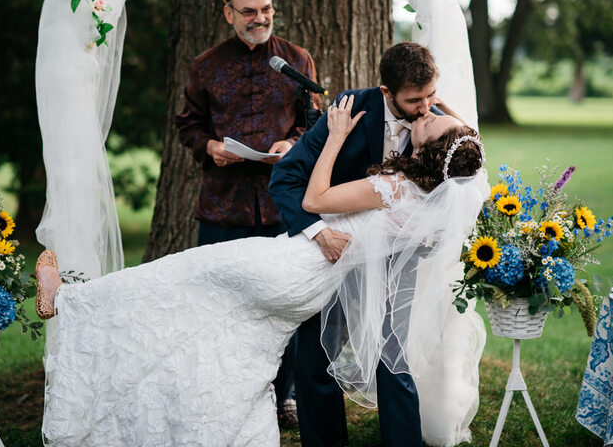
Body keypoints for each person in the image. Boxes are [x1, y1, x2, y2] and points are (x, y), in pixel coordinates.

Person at [36, 93, 488, 446]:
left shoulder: (393, 188)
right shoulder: (436, 200)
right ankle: (231, 429)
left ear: (431, 149)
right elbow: (458, 148)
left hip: (289, 268)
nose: (427, 111)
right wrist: (443, 119)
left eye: (431, 118)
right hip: (305, 282)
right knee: (222, 339)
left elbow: (314, 201)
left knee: (178, 275)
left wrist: (333, 139)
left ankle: (71, 301)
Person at [269, 42, 468, 447]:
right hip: (335, 251)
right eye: (415, 100)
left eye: (432, 95)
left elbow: (468, 157)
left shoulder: (435, 116)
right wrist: (318, 233)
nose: (426, 108)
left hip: (398, 254)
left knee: (393, 356)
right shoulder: (344, 112)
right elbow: (285, 179)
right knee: (316, 356)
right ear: (385, 92)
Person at [174, 0, 321, 425]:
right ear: (229, 14)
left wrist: (294, 142)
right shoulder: (205, 65)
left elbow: (313, 119)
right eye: (249, 12)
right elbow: (189, 125)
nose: (260, 19)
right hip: (224, 205)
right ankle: (227, 396)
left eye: (266, 10)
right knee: (221, 306)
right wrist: (211, 147)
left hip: (284, 205)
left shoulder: (297, 60)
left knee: (287, 303)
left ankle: (286, 396)